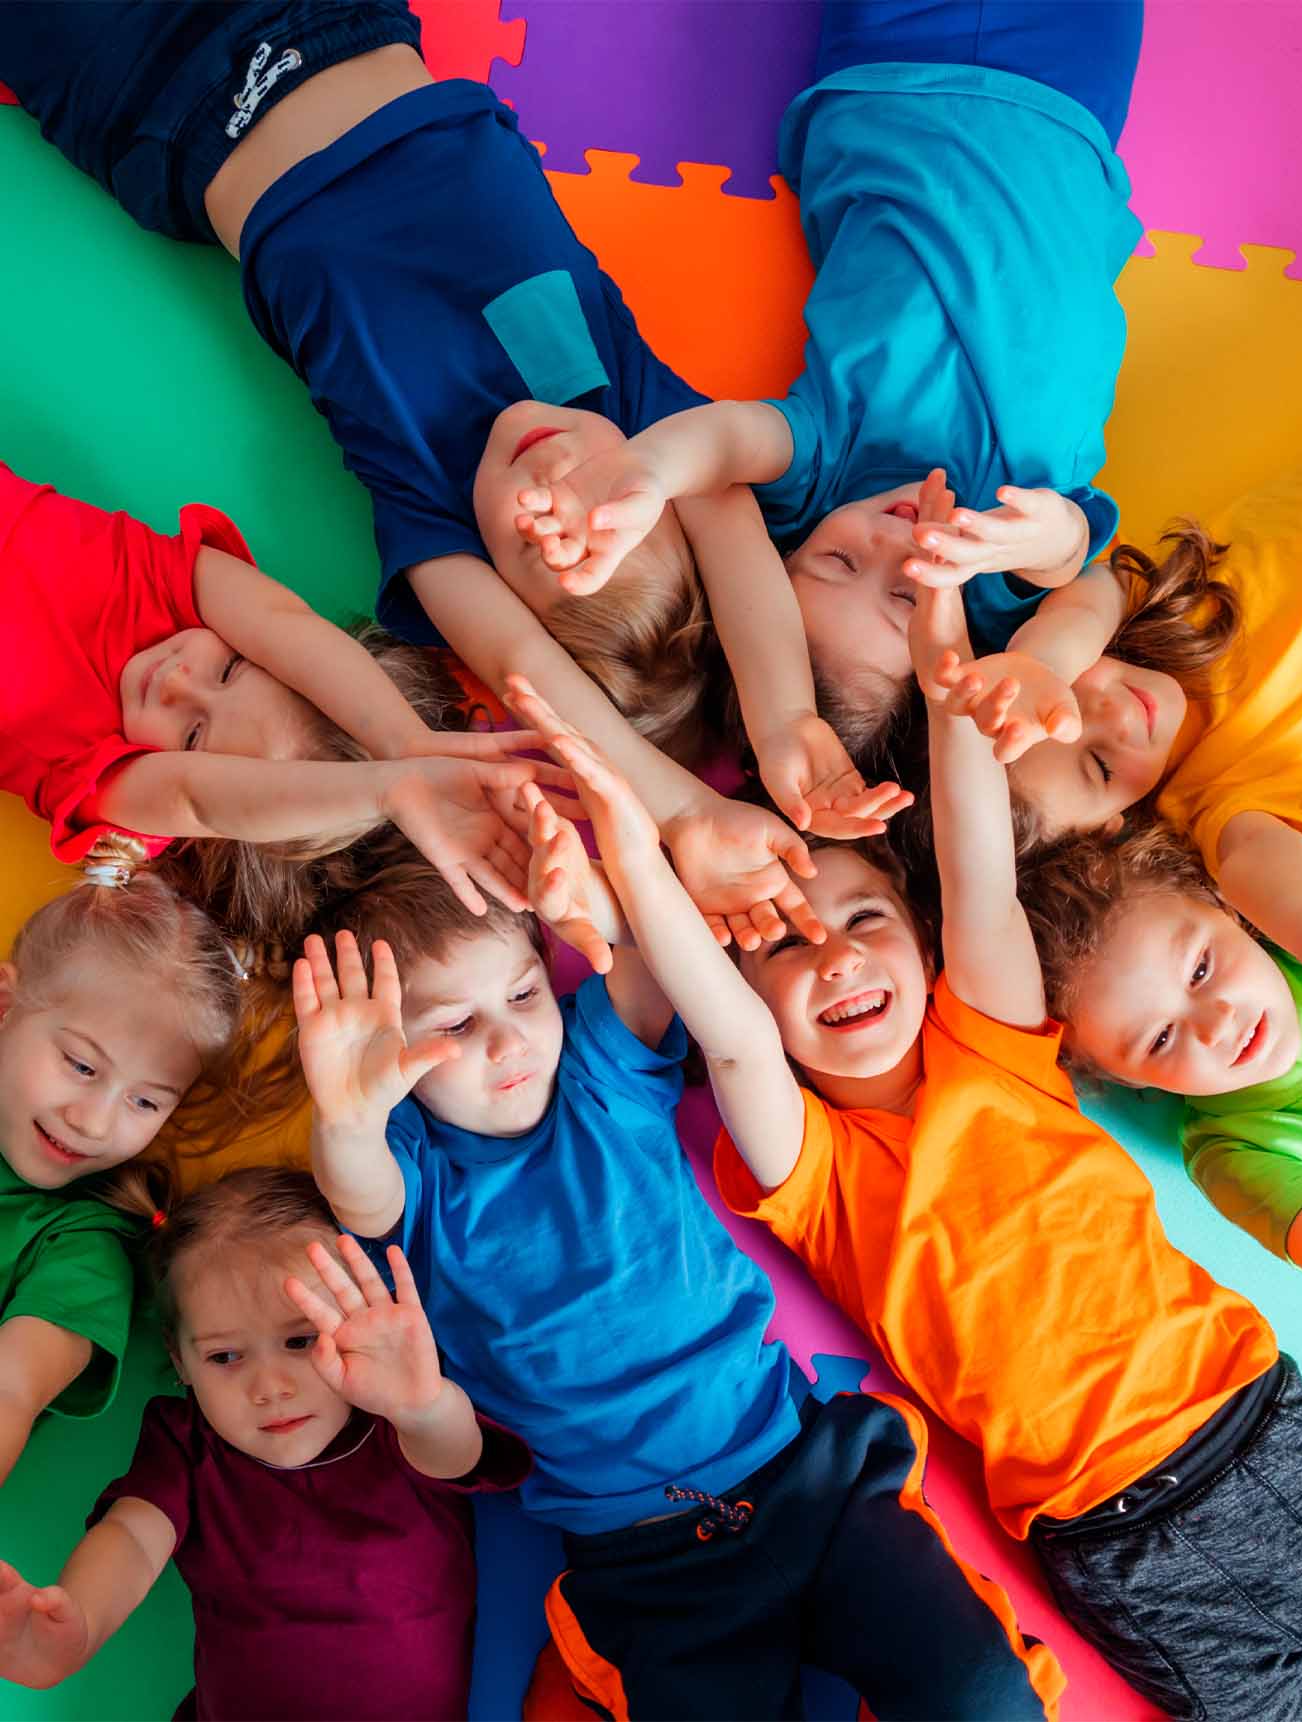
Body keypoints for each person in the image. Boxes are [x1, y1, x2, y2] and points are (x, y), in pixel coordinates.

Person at [497, 558, 1302, 1714]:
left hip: (1257, 1432)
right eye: (783, 947)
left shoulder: (994, 1043)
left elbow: (976, 862)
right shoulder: (811, 1171)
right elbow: (727, 1036)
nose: (836, 956)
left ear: (923, 942)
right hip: (1108, 1538)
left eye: (863, 918)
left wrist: (945, 646)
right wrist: (630, 848)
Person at [0, 0, 916, 955]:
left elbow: (528, 672)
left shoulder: (427, 494)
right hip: (333, 18)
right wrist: (784, 717)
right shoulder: (620, 396)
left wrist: (682, 812)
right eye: (606, 511)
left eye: (539, 539)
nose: (556, 483)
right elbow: (722, 506)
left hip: (165, 101)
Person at [291, 728, 1059, 1720]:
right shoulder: (412, 1170)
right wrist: (346, 1114)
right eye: (452, 1026)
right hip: (648, 1564)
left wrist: (596, 911)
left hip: (805, 1477)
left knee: (984, 1697)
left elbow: (654, 968)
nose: (507, 1040)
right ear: (388, 1062)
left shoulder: (599, 1075)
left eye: (522, 995)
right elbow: (356, 1190)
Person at [515, 0, 1146, 761]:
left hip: (901, 70)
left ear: (788, 551)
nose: (889, 545)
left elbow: (729, 441)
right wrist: (1043, 597)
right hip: (1065, 110)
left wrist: (650, 470)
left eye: (839, 561)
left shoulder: (825, 467)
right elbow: (1085, 571)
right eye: (906, 594)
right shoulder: (988, 566)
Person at [949, 349, 1302, 1030]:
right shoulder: (1210, 799)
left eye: (1070, 695)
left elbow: (1084, 598)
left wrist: (1043, 661)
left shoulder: (1152, 611)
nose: (1113, 713)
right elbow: (1251, 858)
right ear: (1114, 827)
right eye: (1099, 764)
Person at [0, 1166, 530, 1716]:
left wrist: (421, 1405)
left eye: (301, 1341)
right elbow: (132, 1536)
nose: (270, 1388)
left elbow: (456, 1453)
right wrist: (79, 1626)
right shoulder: (189, 1445)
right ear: (180, 1360)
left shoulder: (394, 1417)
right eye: (225, 1356)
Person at [0, 457, 568, 942]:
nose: (176, 681)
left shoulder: (106, 775)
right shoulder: (166, 590)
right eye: (229, 669)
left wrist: (389, 790)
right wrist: (404, 742)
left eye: (193, 735)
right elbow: (284, 624)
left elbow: (198, 799)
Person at [1021, 815, 1302, 1330]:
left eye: (1201, 969)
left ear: (1225, 908)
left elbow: (1248, 833)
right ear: (1129, 1080)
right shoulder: (1232, 1151)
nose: (1216, 1026)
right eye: (1161, 1039)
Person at [0, 846, 244, 1490]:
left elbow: (11, 1388)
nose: (93, 1123)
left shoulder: (84, 1247)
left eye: (145, 1101)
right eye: (82, 1066)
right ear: (4, 1005)